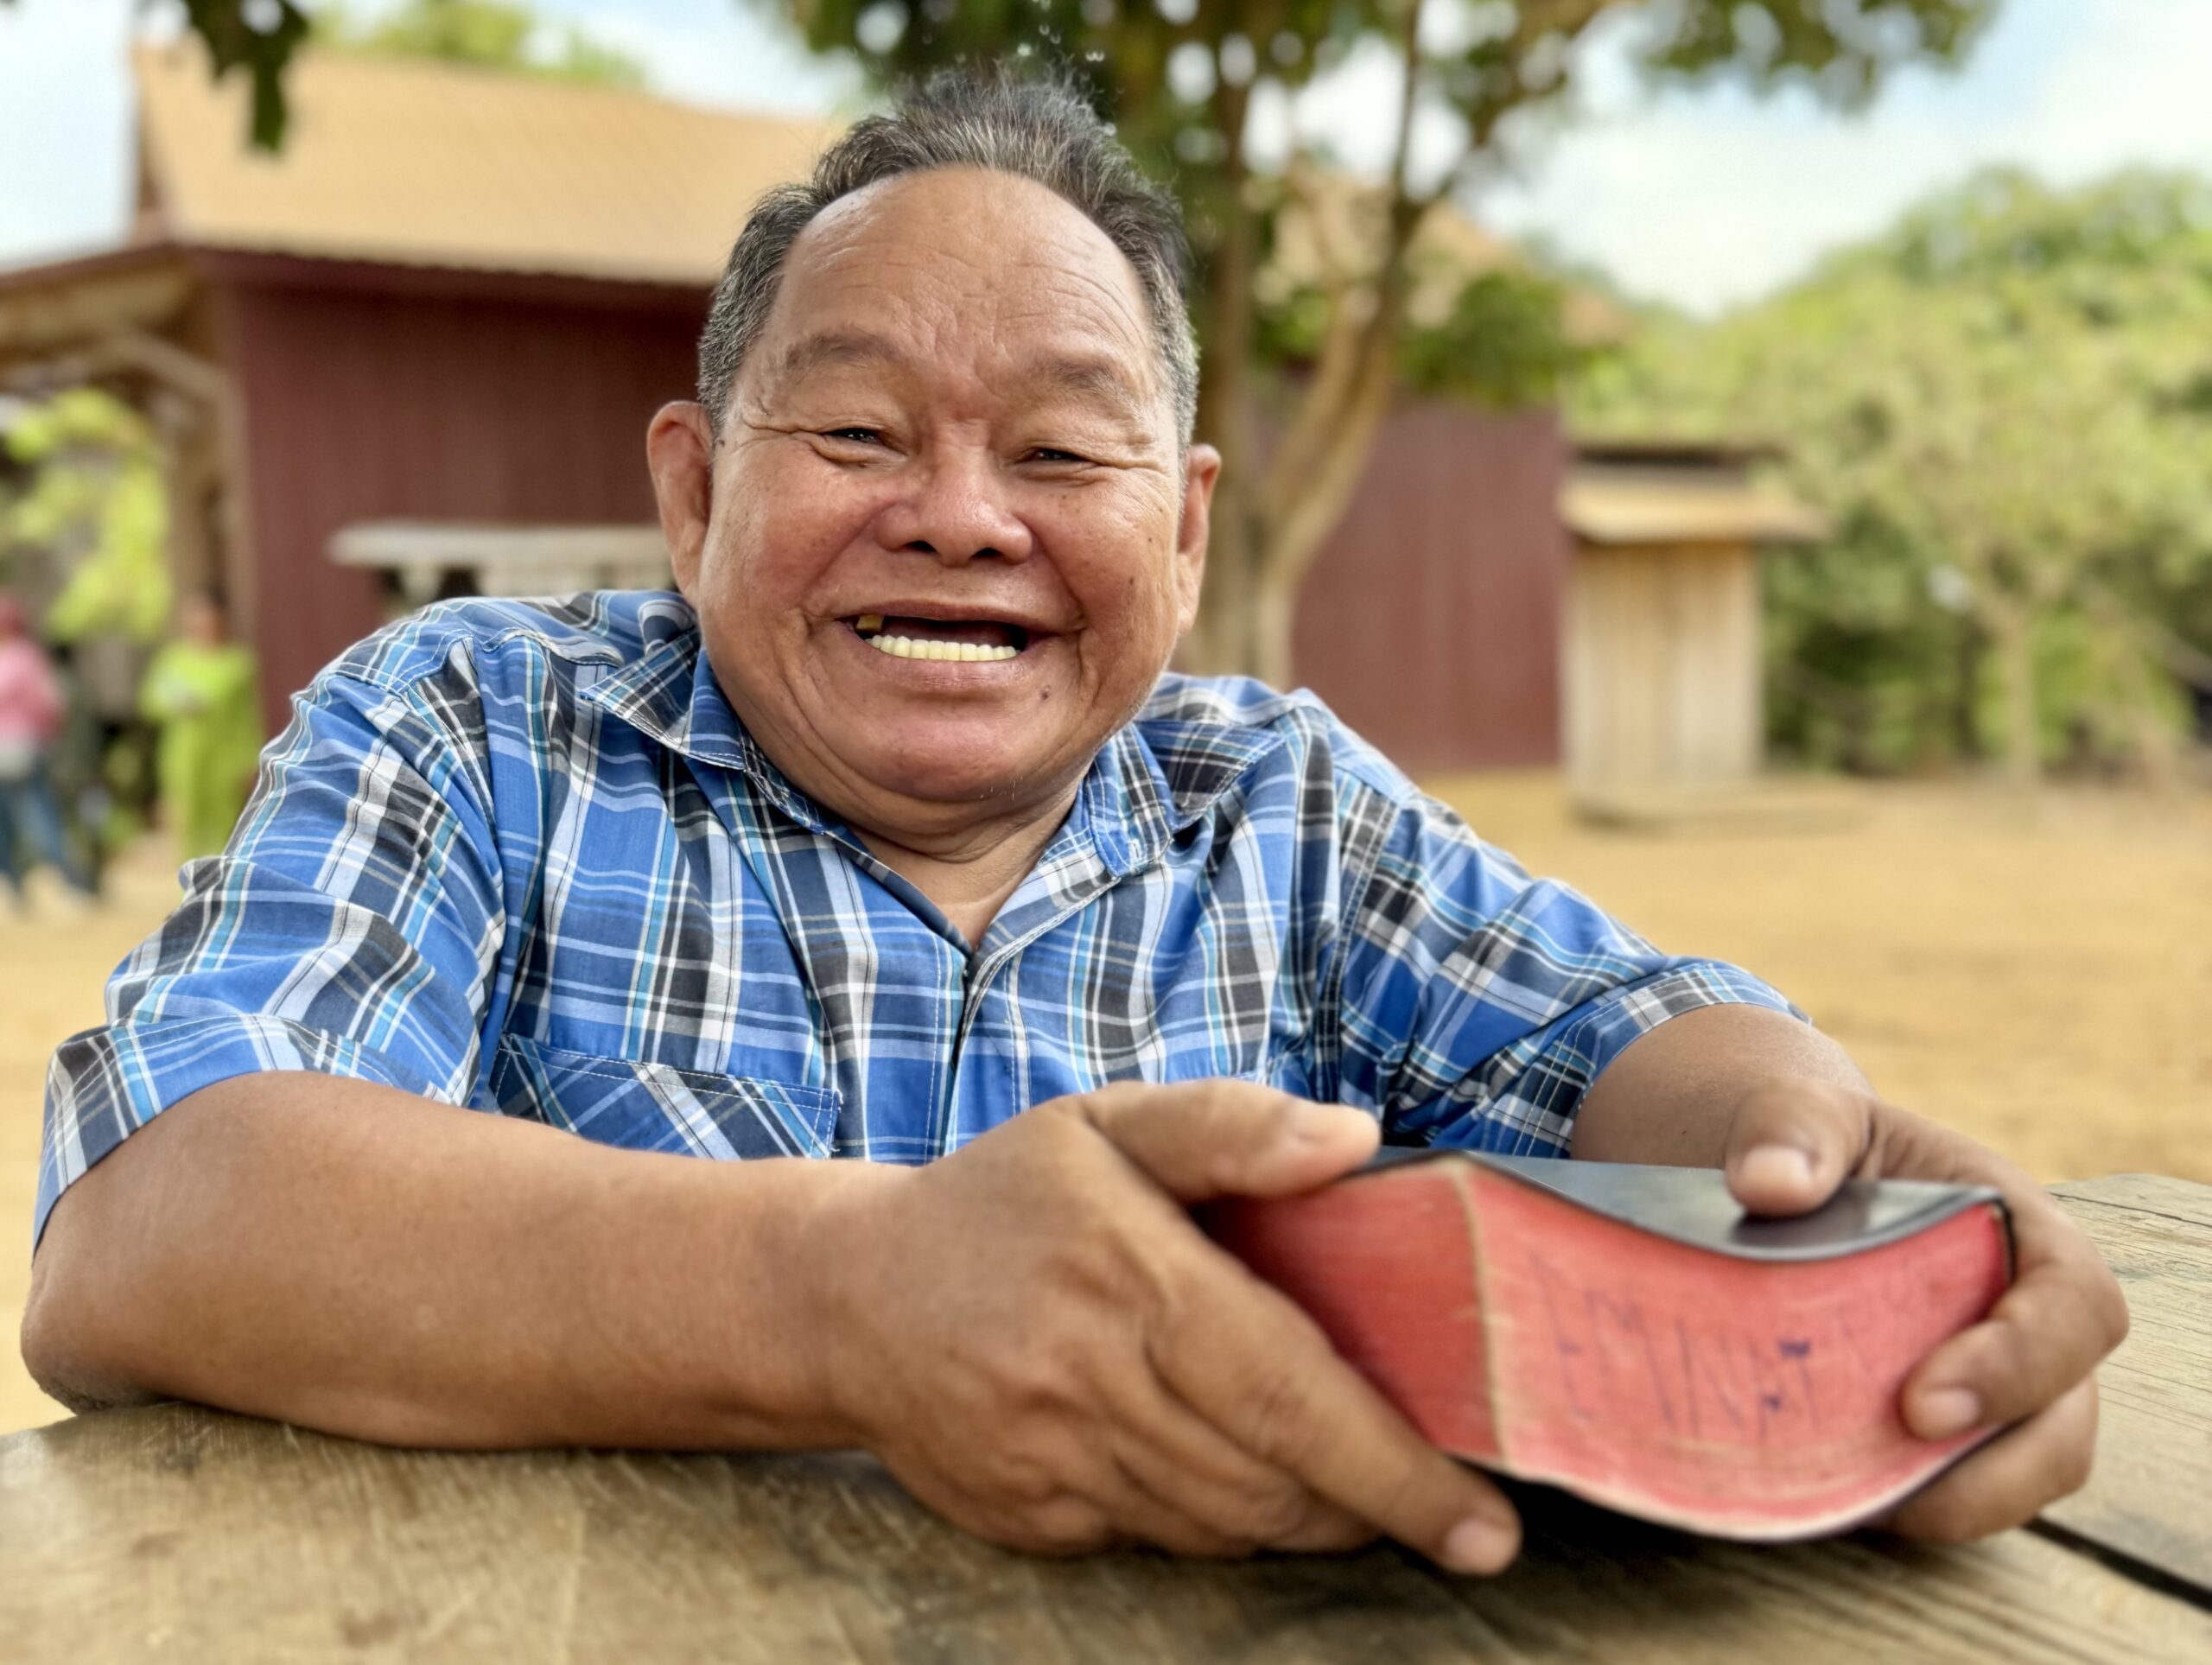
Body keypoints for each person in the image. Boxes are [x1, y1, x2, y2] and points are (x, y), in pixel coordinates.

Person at [24, 74, 2122, 1575]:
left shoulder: (1279, 805)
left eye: (1058, 444)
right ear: (690, 492)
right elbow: (151, 1218)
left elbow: (1640, 1045)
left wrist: (1838, 1210)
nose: (959, 512)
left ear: (1182, 525)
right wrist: (847, 1293)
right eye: (853, 429)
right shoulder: (475, 720)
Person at [139, 588, 262, 864]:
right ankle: (190, 890)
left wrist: (250, 759)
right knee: (187, 826)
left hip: (224, 760)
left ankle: (216, 886)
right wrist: (178, 704)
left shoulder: (237, 663)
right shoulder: (174, 660)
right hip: (183, 757)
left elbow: (246, 718)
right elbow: (151, 701)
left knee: (223, 827)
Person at [0, 594, 93, 908]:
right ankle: (60, 885)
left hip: (20, 750)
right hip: (23, 748)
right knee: (36, 820)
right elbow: (51, 706)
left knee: (25, 822)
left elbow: (49, 705)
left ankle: (23, 888)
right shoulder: (28, 658)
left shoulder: (23, 657)